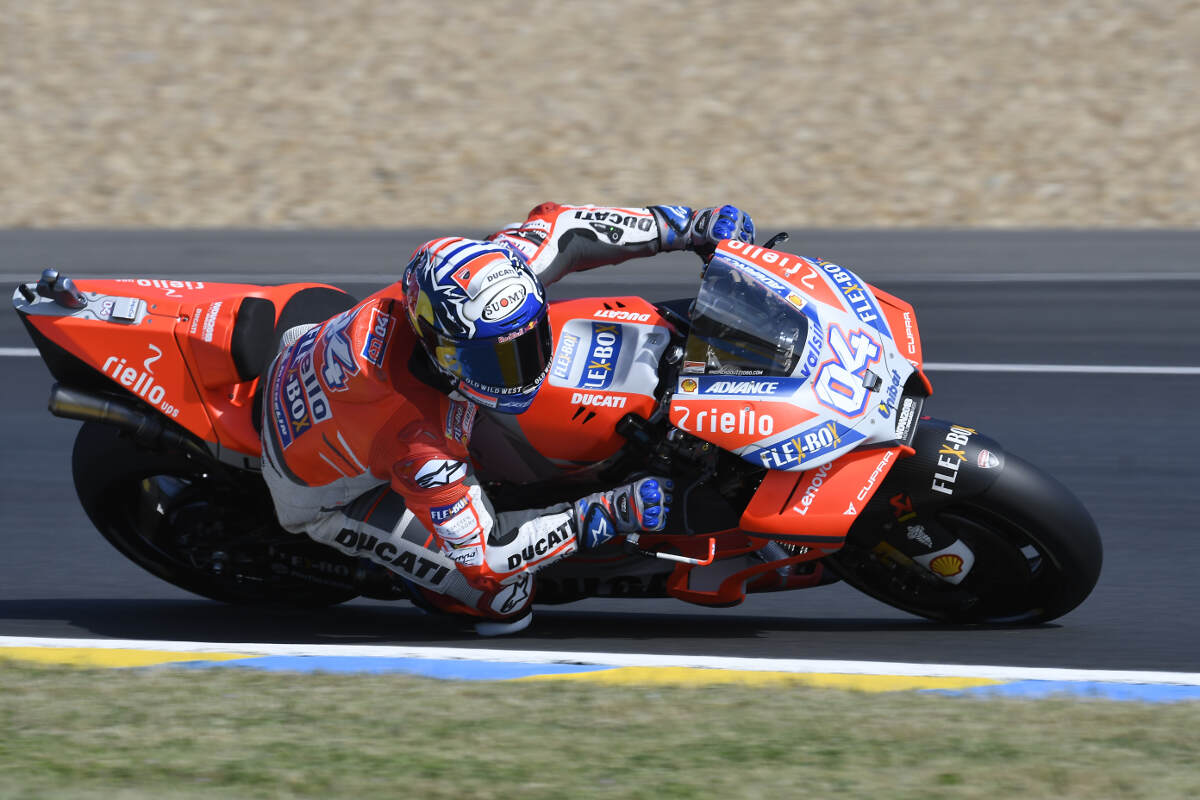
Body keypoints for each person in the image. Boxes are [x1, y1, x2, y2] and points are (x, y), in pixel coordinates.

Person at [259, 202, 755, 634]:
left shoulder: (486, 275)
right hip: (321, 490)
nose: (524, 365)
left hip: (320, 369)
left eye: (527, 341)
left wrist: (690, 226)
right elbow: (488, 557)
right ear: (441, 349)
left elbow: (569, 227)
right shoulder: (417, 440)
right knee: (503, 599)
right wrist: (601, 514)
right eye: (495, 359)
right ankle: (428, 586)